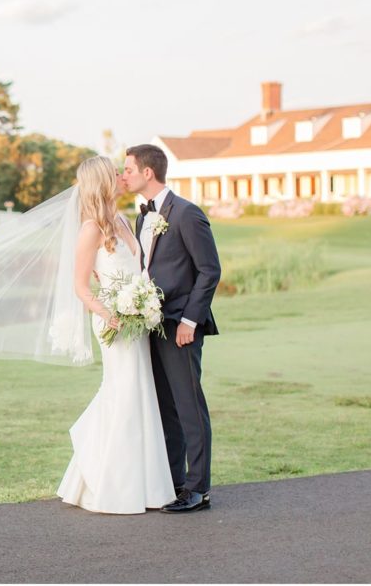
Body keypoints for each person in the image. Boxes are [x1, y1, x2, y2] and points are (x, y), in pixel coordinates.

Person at [55, 156, 178, 514]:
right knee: (123, 393)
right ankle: (113, 484)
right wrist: (110, 314)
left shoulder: (122, 219)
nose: (121, 177)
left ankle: (146, 487)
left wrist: (142, 304)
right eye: (114, 174)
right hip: (113, 322)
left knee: (140, 394)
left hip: (135, 319)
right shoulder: (90, 227)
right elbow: (80, 287)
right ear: (101, 182)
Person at [121, 144, 221, 513]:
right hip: (152, 326)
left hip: (182, 326)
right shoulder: (141, 217)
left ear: (148, 173)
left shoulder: (187, 214)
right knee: (167, 409)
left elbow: (209, 270)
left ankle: (199, 490)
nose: (124, 174)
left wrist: (190, 322)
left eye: (129, 168)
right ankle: (176, 483)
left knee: (190, 407)